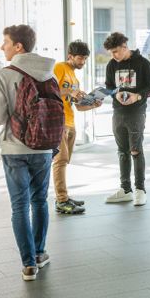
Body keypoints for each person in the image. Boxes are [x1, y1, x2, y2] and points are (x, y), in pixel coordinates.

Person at [0, 25, 55, 281]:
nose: (2, 46)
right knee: (39, 201)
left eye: (5, 42)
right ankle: (40, 253)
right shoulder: (48, 71)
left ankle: (29, 265)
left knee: (19, 207)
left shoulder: (6, 74)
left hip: (14, 148)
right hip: (43, 148)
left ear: (19, 47)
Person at [103, 32, 150, 207]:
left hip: (136, 113)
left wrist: (138, 96)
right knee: (122, 151)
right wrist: (116, 94)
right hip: (118, 112)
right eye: (111, 52)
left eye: (116, 52)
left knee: (135, 150)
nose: (113, 56)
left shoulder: (143, 63)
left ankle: (140, 190)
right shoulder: (112, 65)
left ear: (125, 47)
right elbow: (109, 86)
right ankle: (125, 190)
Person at [52, 41, 102, 215]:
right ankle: (62, 200)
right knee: (60, 161)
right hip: (58, 121)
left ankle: (63, 197)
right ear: (70, 56)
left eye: (85, 59)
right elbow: (50, 92)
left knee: (64, 161)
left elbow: (78, 106)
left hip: (71, 123)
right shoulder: (59, 68)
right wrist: (69, 92)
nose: (83, 62)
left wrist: (93, 104)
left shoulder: (75, 77)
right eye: (80, 58)